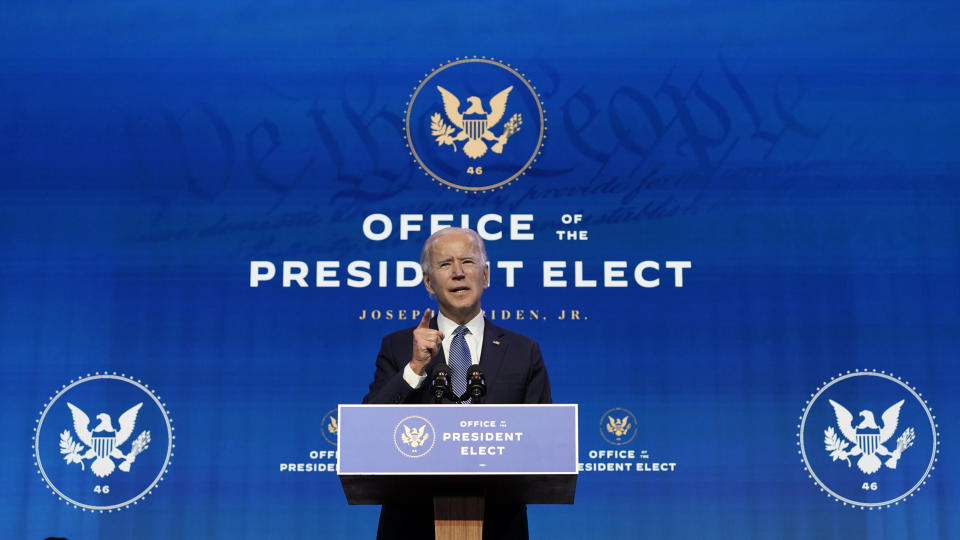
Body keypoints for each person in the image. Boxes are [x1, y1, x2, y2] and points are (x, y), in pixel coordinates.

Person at [363, 227, 551, 540]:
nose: (459, 273)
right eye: (445, 264)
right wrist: (415, 367)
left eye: (468, 262)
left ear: (486, 275)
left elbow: (544, 440)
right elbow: (367, 429)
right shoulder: (398, 347)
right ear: (428, 282)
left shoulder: (523, 350)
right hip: (411, 523)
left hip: (499, 524)